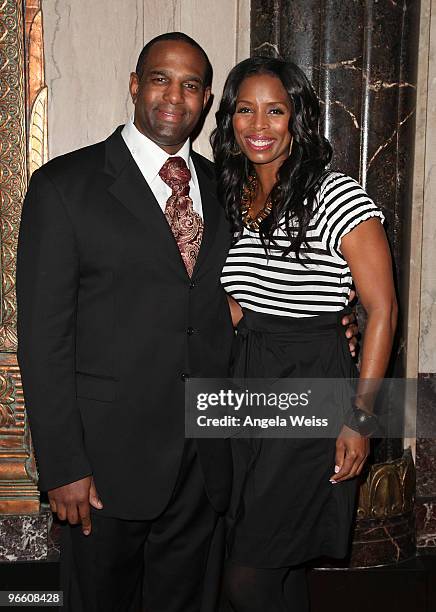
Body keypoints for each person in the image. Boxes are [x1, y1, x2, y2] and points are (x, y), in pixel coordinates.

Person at [16, 33, 358, 611]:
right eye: (160, 79)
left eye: (191, 85)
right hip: (105, 468)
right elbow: (43, 341)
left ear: (204, 102)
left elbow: (260, 284)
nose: (174, 96)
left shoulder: (229, 187)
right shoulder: (64, 187)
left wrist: (334, 322)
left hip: (208, 463)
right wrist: (63, 465)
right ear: (134, 85)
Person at [211, 56, 397, 612]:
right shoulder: (234, 195)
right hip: (247, 377)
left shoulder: (336, 194)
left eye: (275, 110)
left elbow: (382, 310)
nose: (259, 125)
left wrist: (359, 420)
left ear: (298, 119)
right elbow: (240, 304)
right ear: (230, 118)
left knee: (247, 575)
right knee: (281, 562)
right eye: (246, 110)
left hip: (312, 380)